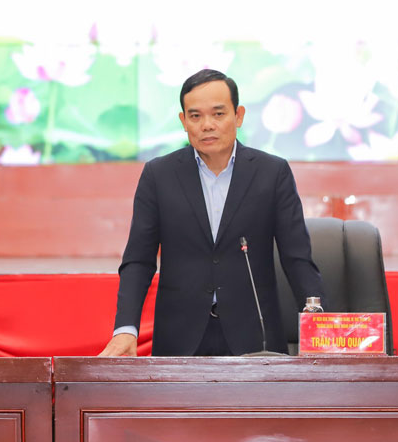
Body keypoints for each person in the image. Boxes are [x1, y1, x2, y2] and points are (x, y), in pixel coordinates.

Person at [99, 69, 323, 357]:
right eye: (195, 116)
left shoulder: (272, 172)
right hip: (179, 340)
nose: (207, 125)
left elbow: (297, 258)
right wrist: (125, 329)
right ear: (183, 121)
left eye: (218, 114)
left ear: (238, 116)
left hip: (256, 337)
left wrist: (323, 326)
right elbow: (138, 261)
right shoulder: (159, 175)